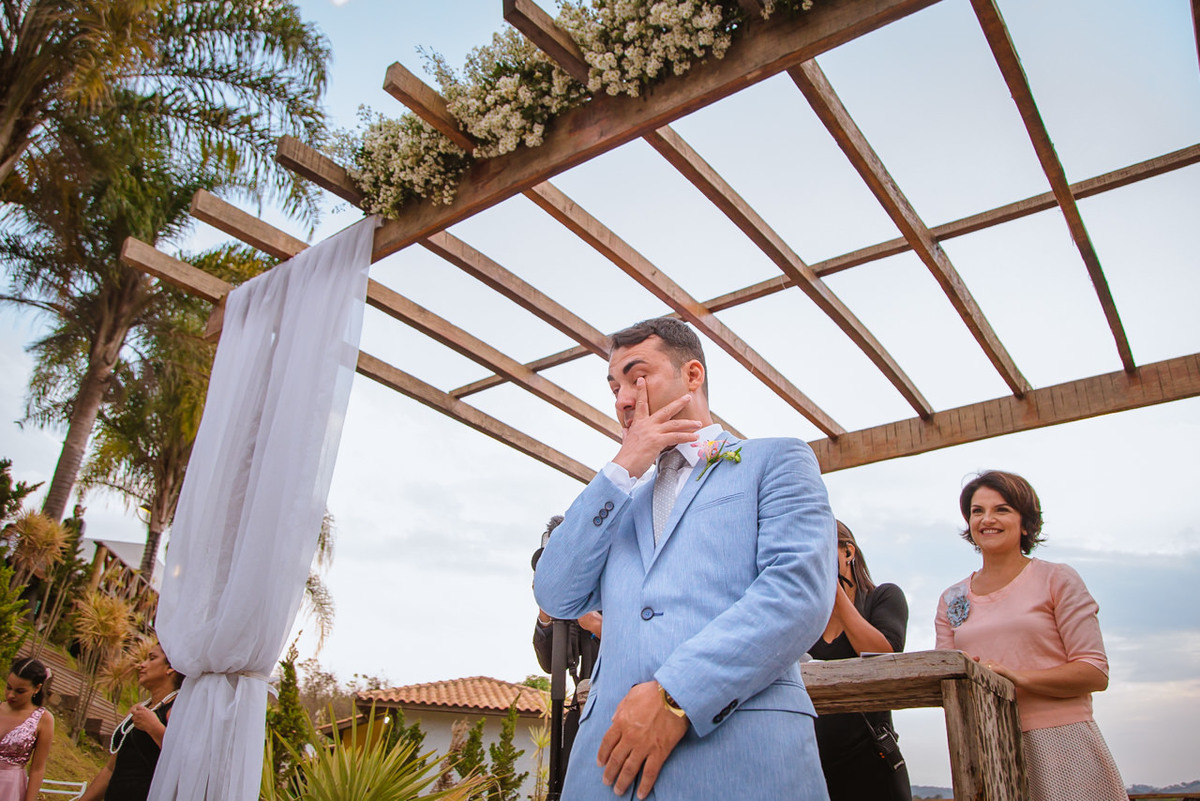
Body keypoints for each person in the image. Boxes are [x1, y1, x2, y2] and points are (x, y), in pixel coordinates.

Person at [534, 317, 836, 801]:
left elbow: (797, 594)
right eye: (613, 387)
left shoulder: (776, 460)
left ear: (692, 375)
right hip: (605, 774)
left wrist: (676, 695)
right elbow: (555, 593)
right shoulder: (618, 501)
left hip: (739, 763)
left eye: (637, 376)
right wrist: (624, 466)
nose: (622, 399)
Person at [935, 470, 1125, 801]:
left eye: (1002, 509)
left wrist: (1014, 677)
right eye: (977, 511)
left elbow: (1094, 672)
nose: (987, 519)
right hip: (985, 750)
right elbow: (944, 676)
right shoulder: (951, 598)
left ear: (1026, 523)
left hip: (1061, 744)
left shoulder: (1057, 579)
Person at [808, 522, 910, 801]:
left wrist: (835, 590)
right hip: (810, 761)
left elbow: (883, 654)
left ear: (847, 551)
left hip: (870, 758)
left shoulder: (884, 597)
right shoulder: (806, 618)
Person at [532, 516, 601, 779]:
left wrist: (596, 624)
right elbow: (551, 663)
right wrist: (547, 611)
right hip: (581, 712)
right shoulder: (567, 610)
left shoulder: (610, 591)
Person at [80, 643, 185, 801]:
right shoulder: (137, 710)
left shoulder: (177, 710)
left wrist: (155, 728)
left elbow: (184, 759)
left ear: (170, 668)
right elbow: (111, 768)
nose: (142, 665)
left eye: (152, 658)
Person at [0, 657, 54, 801]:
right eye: (9, 687)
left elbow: (37, 769)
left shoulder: (44, 719)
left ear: (37, 688)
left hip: (10, 788)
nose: (11, 695)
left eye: (20, 691)